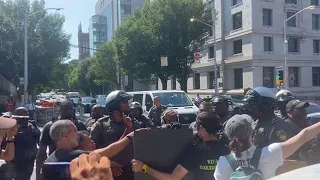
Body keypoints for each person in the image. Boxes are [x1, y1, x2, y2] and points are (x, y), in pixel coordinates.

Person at [213, 114, 320, 180]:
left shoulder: (223, 162)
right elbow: (304, 136)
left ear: (229, 137)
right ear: (252, 133)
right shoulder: (270, 153)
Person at [132, 112, 230, 179]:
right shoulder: (227, 149)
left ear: (202, 129)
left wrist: (143, 168)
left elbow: (172, 178)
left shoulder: (194, 151)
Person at [90, 90, 136, 180]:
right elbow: (91, 150)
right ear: (114, 104)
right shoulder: (101, 125)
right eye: (124, 102)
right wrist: (107, 162)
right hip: (108, 173)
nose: (127, 104)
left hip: (131, 171)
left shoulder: (133, 122)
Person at [36, 101, 87, 180]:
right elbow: (41, 152)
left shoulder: (78, 125)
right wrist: (39, 175)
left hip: (78, 165)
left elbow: (88, 144)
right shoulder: (50, 126)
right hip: (56, 165)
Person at [2, 107, 40, 180]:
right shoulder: (11, 127)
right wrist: (9, 162)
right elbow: (4, 147)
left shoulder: (32, 126)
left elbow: (38, 140)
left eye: (25, 114)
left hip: (29, 161)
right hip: (15, 162)